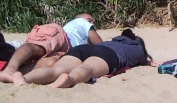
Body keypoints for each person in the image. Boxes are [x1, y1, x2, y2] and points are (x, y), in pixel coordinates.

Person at [0, 14, 102, 83]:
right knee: (39, 47)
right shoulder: (81, 22)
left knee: (50, 63)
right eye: (90, 19)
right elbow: (101, 45)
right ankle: (10, 70)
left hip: (66, 51)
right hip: (62, 37)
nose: (92, 22)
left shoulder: (82, 39)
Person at [13, 29, 153, 88]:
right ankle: (70, 80)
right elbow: (143, 61)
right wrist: (148, 61)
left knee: (57, 69)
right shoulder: (137, 47)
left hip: (85, 47)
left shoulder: (115, 40)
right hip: (109, 54)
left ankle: (24, 79)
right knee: (87, 68)